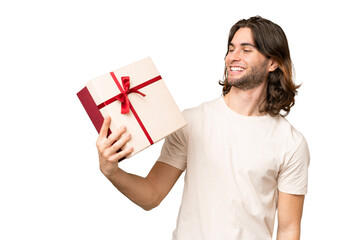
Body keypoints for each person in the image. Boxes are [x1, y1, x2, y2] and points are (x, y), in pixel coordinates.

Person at [96, 16, 310, 240]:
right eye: (231, 48)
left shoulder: (291, 143)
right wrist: (112, 172)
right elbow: (152, 195)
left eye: (246, 50)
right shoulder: (191, 122)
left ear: (273, 62)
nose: (233, 57)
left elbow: (288, 229)